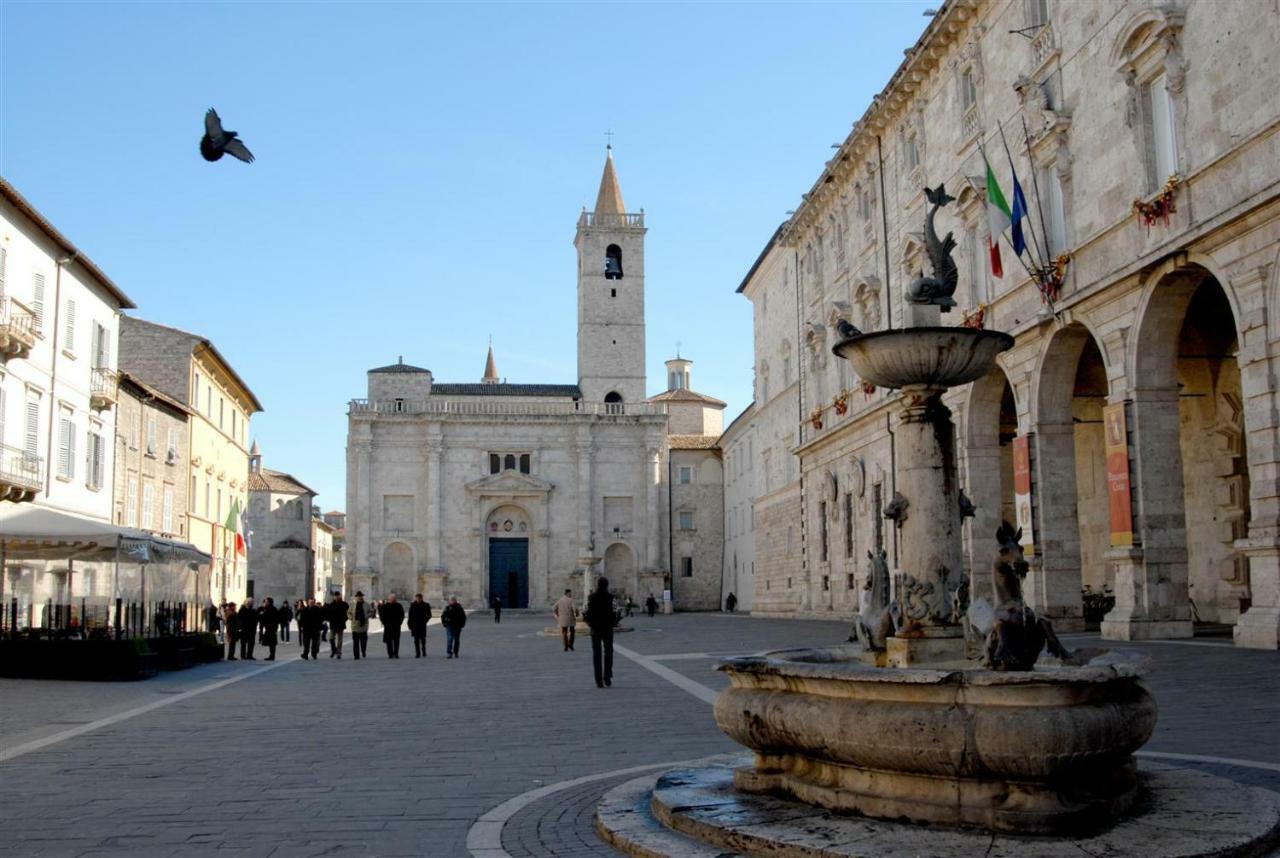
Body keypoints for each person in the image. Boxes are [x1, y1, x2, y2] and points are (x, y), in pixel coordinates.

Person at [584, 578, 617, 688]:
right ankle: (607, 676)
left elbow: (588, 613)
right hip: (607, 628)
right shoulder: (610, 597)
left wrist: (590, 623)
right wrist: (613, 622)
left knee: (596, 654)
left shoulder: (592, 597)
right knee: (609, 652)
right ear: (606, 585)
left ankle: (598, 680)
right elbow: (614, 612)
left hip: (596, 629)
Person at [379, 594, 405, 658]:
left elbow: (402, 615)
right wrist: (384, 622)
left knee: (396, 641)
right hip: (388, 626)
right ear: (389, 599)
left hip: (396, 626)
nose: (393, 599)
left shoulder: (399, 606)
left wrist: (400, 622)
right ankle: (390, 654)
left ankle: (396, 653)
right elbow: (381, 615)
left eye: (394, 598)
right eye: (392, 598)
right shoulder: (385, 606)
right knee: (389, 641)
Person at [326, 592, 350, 658]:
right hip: (333, 624)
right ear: (334, 597)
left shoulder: (344, 604)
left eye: (338, 596)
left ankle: (339, 653)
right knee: (331, 638)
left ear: (340, 596)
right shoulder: (331, 604)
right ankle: (334, 650)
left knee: (340, 640)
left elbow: (348, 613)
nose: (336, 597)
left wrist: (345, 619)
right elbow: (328, 614)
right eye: (335, 596)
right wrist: (329, 619)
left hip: (340, 624)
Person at [348, 591, 371, 660]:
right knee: (355, 642)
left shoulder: (366, 604)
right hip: (355, 626)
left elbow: (371, 612)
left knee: (363, 641)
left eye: (360, 596)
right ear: (356, 597)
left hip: (363, 626)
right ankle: (356, 655)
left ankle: (363, 651)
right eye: (358, 596)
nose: (359, 597)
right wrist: (351, 618)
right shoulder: (352, 605)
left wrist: (366, 616)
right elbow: (348, 613)